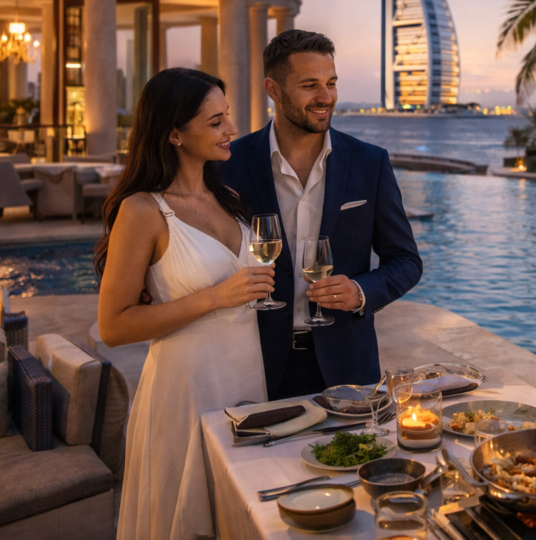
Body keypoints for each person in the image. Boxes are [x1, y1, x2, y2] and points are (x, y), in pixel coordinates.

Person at [97, 68, 276, 540]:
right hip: (187, 388)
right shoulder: (143, 210)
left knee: (244, 517)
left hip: (247, 379)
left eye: (228, 118)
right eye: (216, 122)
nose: (231, 131)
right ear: (175, 133)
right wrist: (215, 297)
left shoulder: (230, 198)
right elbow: (113, 327)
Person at [219, 29, 423, 400]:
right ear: (274, 89)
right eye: (310, 85)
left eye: (331, 83)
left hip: (348, 364)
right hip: (253, 363)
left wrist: (361, 291)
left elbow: (406, 261)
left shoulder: (369, 162)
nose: (325, 97)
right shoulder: (229, 164)